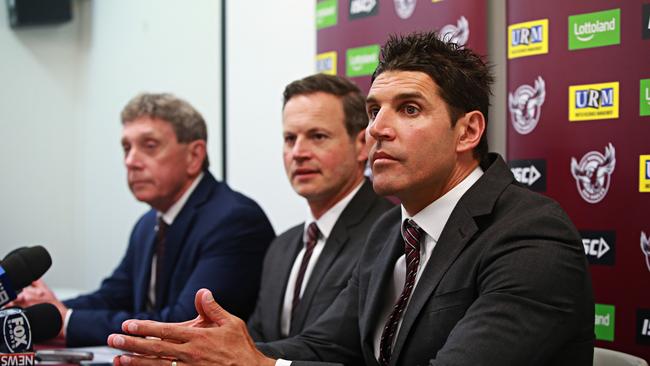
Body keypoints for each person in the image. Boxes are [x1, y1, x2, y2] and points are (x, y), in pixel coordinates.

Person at [107, 31, 594, 366]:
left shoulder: (530, 235)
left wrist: (258, 363)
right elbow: (322, 346)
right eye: (374, 110)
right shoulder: (392, 230)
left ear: (467, 130)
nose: (378, 129)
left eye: (408, 109)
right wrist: (201, 352)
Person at [13, 93, 275, 347]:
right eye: (126, 148)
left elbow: (185, 325)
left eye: (149, 146)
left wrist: (68, 320)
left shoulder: (234, 221)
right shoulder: (148, 224)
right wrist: (44, 310)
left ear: (194, 156)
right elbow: (114, 296)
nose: (130, 161)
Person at [247, 74, 393, 342]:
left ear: (362, 145)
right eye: (290, 139)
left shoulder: (389, 233)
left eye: (318, 136)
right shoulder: (280, 246)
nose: (298, 152)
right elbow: (258, 337)